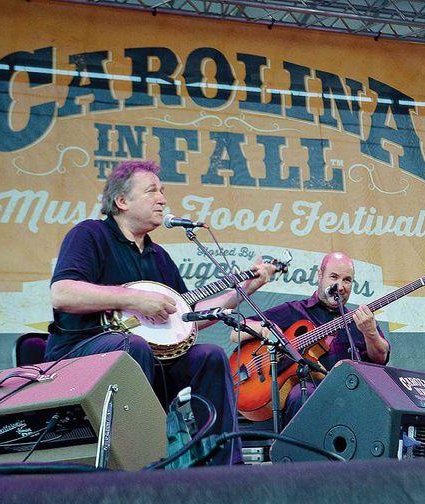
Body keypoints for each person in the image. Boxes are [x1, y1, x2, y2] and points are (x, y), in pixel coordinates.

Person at [47, 159, 276, 465]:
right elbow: (62, 294)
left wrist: (246, 287)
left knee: (209, 356)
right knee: (134, 345)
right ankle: (139, 461)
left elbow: (189, 315)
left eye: (163, 191)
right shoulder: (90, 235)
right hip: (80, 356)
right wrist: (134, 299)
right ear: (122, 201)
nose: (163, 199)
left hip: (146, 361)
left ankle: (226, 467)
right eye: (152, 190)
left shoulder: (158, 256)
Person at [234, 251, 390, 425]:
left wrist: (371, 333)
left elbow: (381, 358)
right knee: (302, 394)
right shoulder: (295, 311)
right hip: (305, 393)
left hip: (346, 396)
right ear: (320, 276)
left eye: (347, 280)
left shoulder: (360, 320)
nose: (340, 286)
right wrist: (265, 329)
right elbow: (236, 332)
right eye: (333, 277)